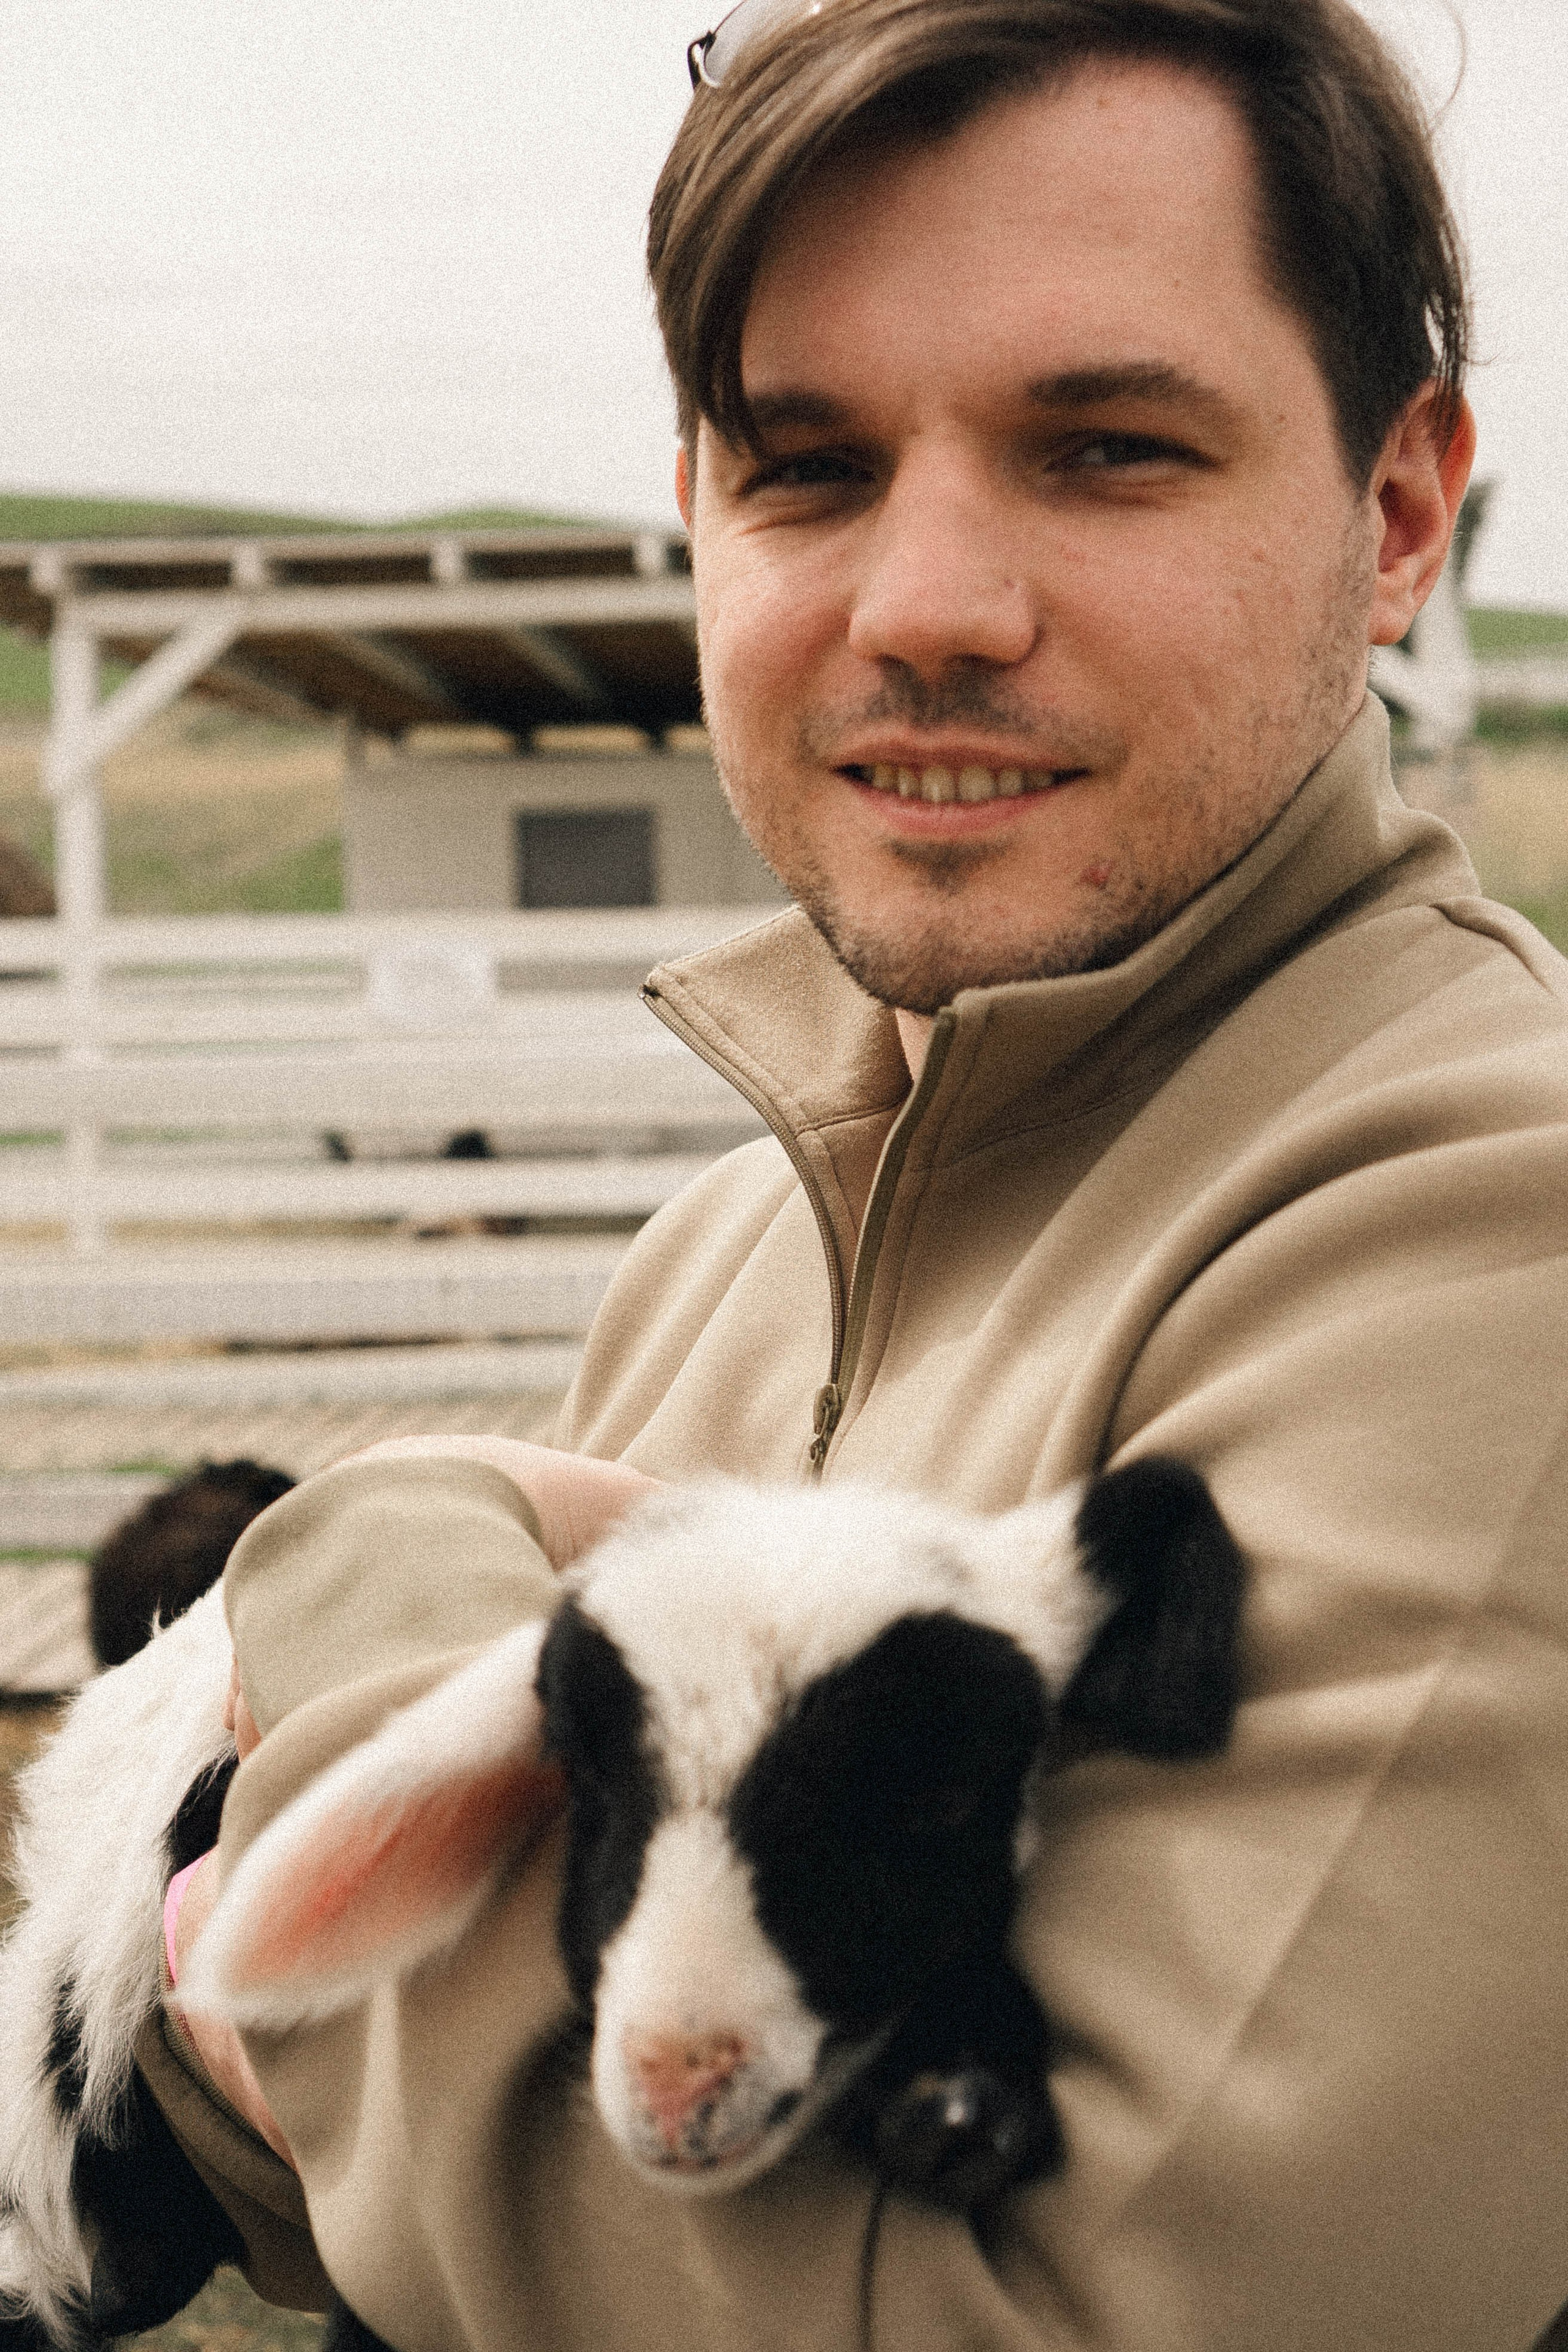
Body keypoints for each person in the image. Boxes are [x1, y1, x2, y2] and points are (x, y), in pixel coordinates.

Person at [157, 1, 1568, 2345]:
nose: (921, 605)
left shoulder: (1491, 1237)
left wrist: (368, 1566)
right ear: (699, 509)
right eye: (805, 465)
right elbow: (369, 2223)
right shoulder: (728, 1251)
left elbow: (1063, 2315)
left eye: (1107, 446)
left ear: (1400, 511)